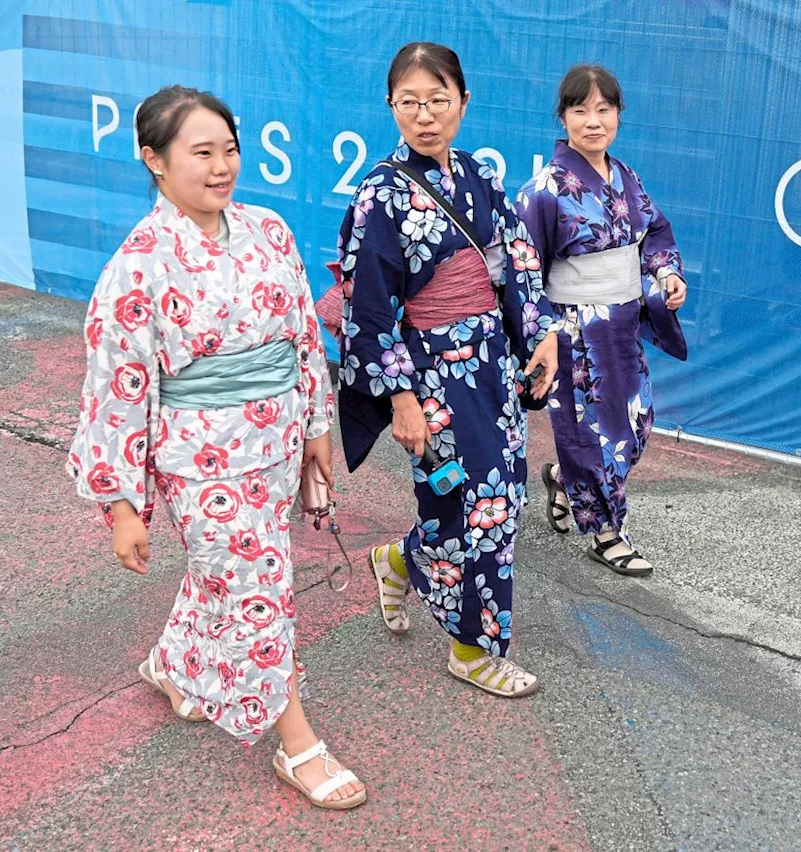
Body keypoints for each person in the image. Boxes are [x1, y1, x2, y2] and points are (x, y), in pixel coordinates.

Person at [66, 85, 365, 810]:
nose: (223, 165)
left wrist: (318, 427)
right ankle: (298, 745)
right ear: (155, 162)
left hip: (277, 441)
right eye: (202, 153)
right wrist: (121, 507)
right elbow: (118, 388)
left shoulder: (267, 230)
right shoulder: (137, 265)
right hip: (200, 462)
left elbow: (301, 335)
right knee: (258, 591)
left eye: (229, 149)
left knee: (226, 577)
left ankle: (173, 667)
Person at [335, 42, 558, 698]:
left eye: (438, 100)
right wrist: (400, 397)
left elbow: (516, 260)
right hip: (432, 382)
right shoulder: (380, 195)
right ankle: (473, 647)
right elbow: (368, 309)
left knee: (500, 496)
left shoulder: (479, 178)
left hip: (490, 368)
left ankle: (399, 559)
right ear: (390, 106)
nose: (425, 115)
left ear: (464, 103)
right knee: (470, 501)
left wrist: (539, 339)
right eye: (410, 102)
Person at [517, 64, 688, 576]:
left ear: (618, 114)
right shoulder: (544, 190)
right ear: (563, 117)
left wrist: (666, 275)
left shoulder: (626, 177)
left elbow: (654, 233)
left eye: (603, 109)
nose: (593, 121)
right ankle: (606, 533)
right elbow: (524, 269)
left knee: (635, 425)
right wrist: (541, 330)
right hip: (574, 331)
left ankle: (566, 480)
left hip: (623, 322)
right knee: (592, 432)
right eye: (580, 110)